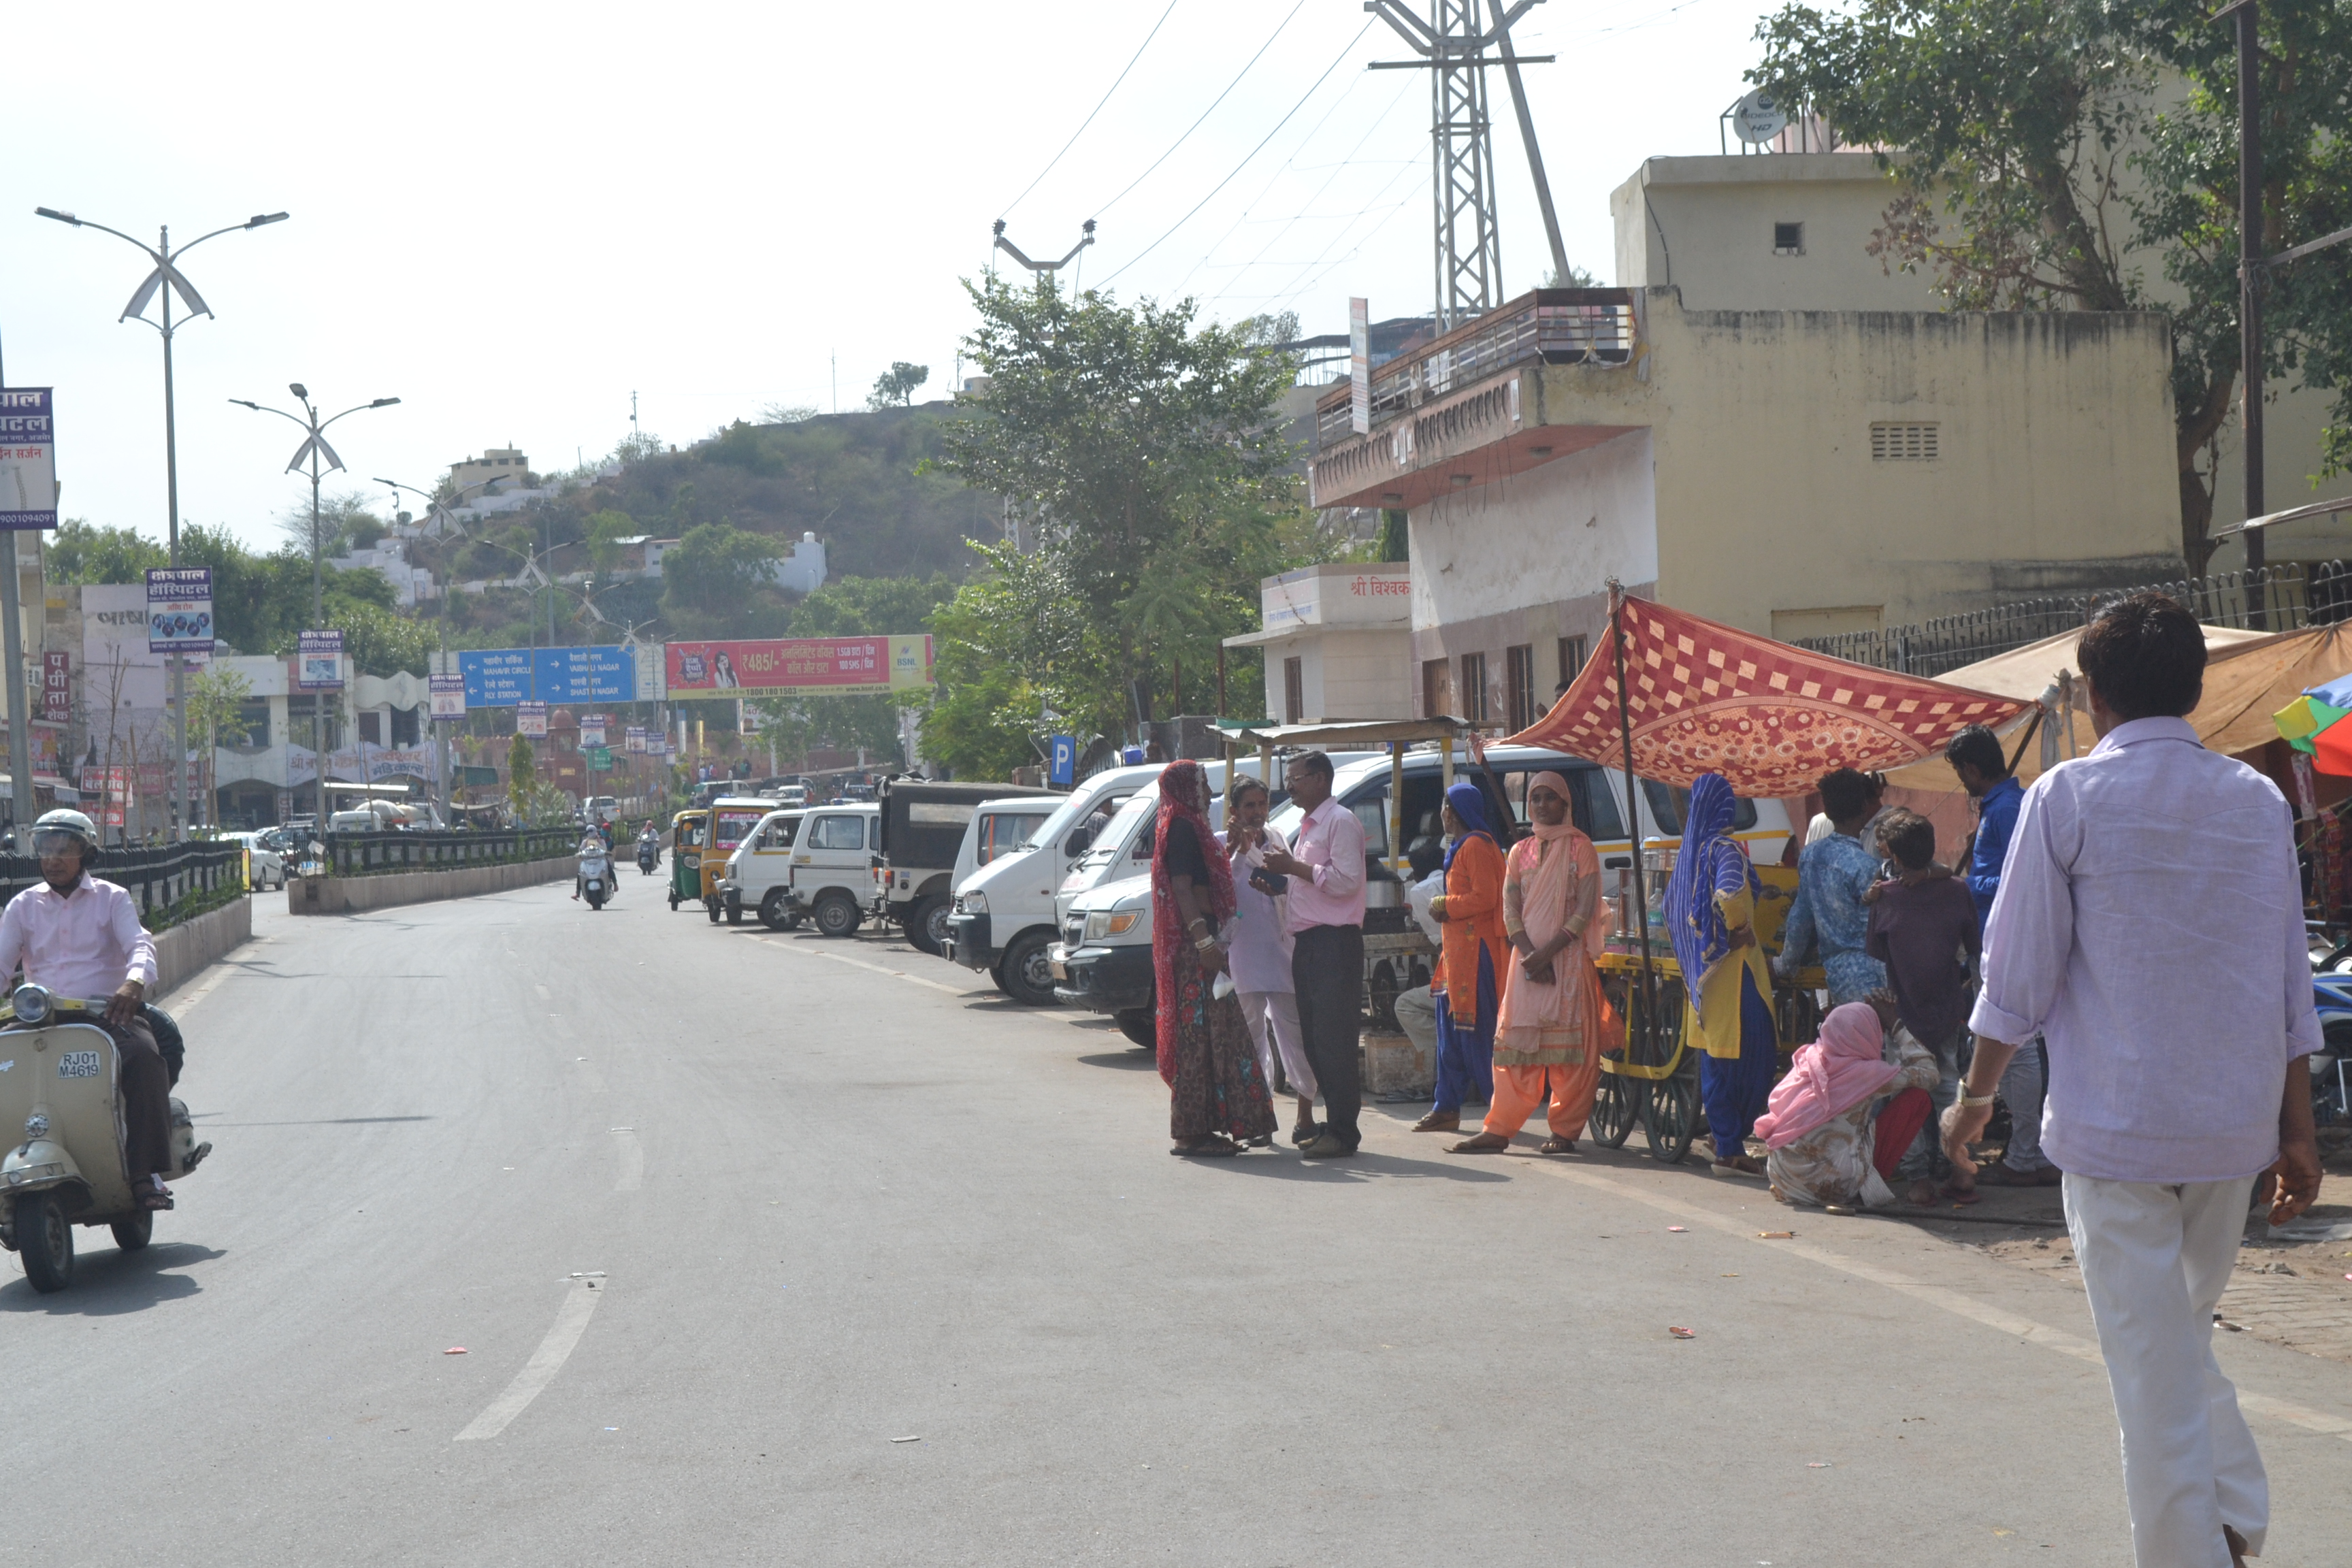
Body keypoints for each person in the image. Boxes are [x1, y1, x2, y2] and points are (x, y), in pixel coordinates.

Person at [1944, 592, 2321, 1568]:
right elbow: (2291, 983)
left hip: (2117, 1135)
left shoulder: (2066, 798)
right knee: (2174, 1340)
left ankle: (2203, 1546)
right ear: (2195, 689)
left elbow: (2016, 976)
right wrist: (2300, 1132)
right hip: (2230, 1130)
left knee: (2153, 1370)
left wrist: (1976, 1098)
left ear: (2096, 697)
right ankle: (2236, 1515)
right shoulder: (2258, 800)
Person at [0, 810, 171, 1210]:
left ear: (87, 853)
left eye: (65, 848)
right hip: (35, 1020)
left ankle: (144, 1174)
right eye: (45, 848)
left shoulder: (113, 898)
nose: (53, 858)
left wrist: (133, 982)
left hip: (105, 1016)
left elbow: (140, 945)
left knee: (144, 1058)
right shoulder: (21, 906)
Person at [1451, 771, 1611, 1155]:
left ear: (1565, 804)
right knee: (1514, 1047)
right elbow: (1510, 907)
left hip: (1567, 960)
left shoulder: (1580, 847)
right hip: (1525, 961)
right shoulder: (1519, 851)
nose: (1542, 805)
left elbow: (1586, 907)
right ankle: (1499, 1128)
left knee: (1571, 1053)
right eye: (1535, 798)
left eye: (1550, 798)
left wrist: (1548, 952)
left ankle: (1565, 1130)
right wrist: (1528, 952)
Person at [1944, 720, 2056, 1188]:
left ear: (1972, 768)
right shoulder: (2003, 804)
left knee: (2018, 1047)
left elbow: (2023, 877)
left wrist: (1967, 885)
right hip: (1992, 934)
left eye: (1961, 773)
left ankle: (2027, 1153)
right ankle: (2024, 1147)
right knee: (2001, 1043)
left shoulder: (2008, 807)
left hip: (2007, 936)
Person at [1152, 760, 1278, 1156]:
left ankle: (1211, 1126)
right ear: (1187, 789)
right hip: (1198, 950)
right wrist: (1205, 942)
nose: (1209, 794)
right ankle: (1191, 1132)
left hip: (1205, 946)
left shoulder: (1188, 825)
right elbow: (1184, 888)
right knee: (1198, 1040)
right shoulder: (1183, 827)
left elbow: (1206, 876)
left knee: (1216, 1037)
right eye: (1203, 785)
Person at [1861, 808, 1980, 1203]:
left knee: (1909, 1092)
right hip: (1946, 1006)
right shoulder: (1957, 890)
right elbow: (1973, 944)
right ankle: (1962, 1169)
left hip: (1904, 1010)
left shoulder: (1887, 898)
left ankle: (1919, 1178)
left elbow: (1876, 950)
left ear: (1893, 856)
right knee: (1949, 1086)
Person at [1665, 772, 1780, 1177]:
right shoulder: (1726, 848)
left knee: (1716, 1061)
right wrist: (1737, 928)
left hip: (1704, 981)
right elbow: (1729, 893)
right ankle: (1730, 1148)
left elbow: (1672, 909)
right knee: (1757, 1055)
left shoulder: (1689, 854)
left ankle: (1724, 1140)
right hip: (1736, 974)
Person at [1258, 751, 1366, 1159]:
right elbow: (1316, 887)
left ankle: (1343, 1131)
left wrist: (1295, 868)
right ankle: (1334, 1122)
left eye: (1296, 778)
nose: (1289, 786)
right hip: (1309, 943)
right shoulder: (1309, 826)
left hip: (1334, 944)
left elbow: (1346, 883)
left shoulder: (1340, 821)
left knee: (1333, 1039)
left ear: (1320, 779)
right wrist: (1281, 884)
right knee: (1316, 1040)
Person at [1755, 996, 1937, 1209]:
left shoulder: (1808, 1059)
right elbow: (1930, 1075)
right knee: (1917, 1099)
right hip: (1833, 1191)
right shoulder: (1865, 1075)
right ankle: (1893, 1183)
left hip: (1784, 1180)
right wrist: (1897, 1026)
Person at [1222, 775, 1319, 1146]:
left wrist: (1276, 880)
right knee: (1250, 1040)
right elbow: (1224, 887)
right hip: (1244, 952)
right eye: (1249, 805)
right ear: (1234, 811)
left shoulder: (1278, 837)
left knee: (1294, 1036)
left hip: (1282, 949)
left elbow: (1292, 881)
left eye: (1262, 804)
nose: (1258, 812)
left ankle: (1304, 1118)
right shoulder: (1223, 844)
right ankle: (1256, 1120)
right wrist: (1237, 848)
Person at [1414, 783, 1507, 1134]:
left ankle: (1500, 1112)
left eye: (1444, 806)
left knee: (1477, 1035)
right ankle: (1446, 1107)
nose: (1443, 813)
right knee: (1450, 1034)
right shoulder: (1462, 846)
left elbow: (1485, 897)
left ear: (1452, 811)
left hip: (1477, 953)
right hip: (1458, 954)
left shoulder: (1476, 846)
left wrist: (1444, 905)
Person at [1774, 768, 1890, 1008]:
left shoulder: (1811, 856)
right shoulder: (1867, 866)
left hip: (1838, 978)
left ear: (1826, 811)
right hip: (1876, 983)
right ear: (1864, 807)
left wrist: (1785, 964)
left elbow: (1800, 918)